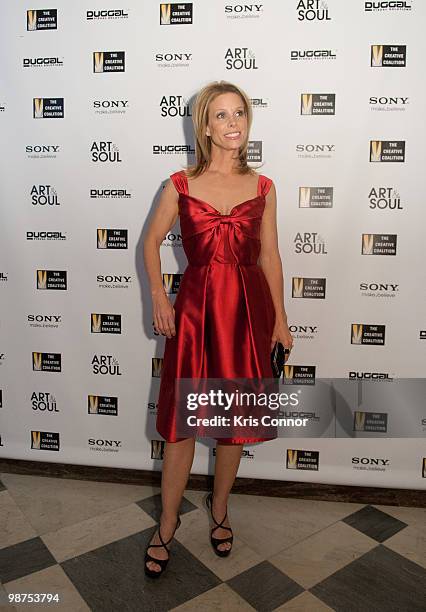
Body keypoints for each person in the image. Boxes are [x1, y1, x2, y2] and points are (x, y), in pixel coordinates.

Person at [142, 80, 293, 577]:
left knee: (234, 426)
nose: (233, 124)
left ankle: (220, 509)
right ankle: (166, 523)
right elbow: (149, 244)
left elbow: (270, 257)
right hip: (195, 315)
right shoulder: (179, 184)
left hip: (248, 314)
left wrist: (282, 321)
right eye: (222, 116)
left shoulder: (264, 187)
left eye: (240, 114)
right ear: (204, 126)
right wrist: (159, 298)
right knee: (183, 427)